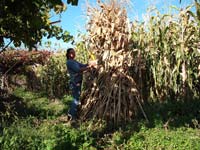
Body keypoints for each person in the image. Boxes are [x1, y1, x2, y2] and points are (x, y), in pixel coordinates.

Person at [66, 48, 95, 120]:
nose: (73, 54)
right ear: (68, 54)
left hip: (78, 81)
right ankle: (73, 116)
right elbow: (78, 69)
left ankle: (70, 114)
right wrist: (89, 67)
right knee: (76, 99)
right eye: (71, 53)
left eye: (74, 52)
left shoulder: (74, 61)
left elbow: (82, 65)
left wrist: (90, 63)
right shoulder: (69, 62)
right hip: (75, 83)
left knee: (76, 98)